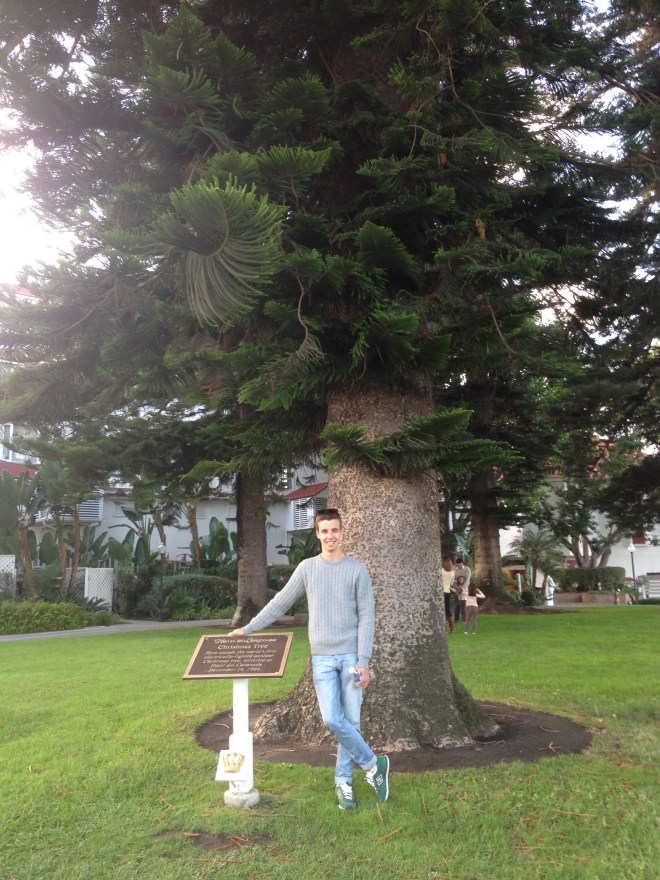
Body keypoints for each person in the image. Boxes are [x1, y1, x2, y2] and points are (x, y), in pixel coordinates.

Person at [228, 508, 389, 811]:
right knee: (332, 719)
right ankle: (372, 764)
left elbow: (367, 618)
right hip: (322, 660)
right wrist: (248, 629)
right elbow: (279, 603)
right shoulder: (307, 569)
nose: (330, 536)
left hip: (352, 659)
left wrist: (365, 660)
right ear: (317, 534)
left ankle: (344, 783)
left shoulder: (357, 570)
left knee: (351, 721)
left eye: (335, 530)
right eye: (324, 531)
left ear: (343, 532)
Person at [453, 557, 471, 623]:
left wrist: (462, 588)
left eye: (460, 565)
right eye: (458, 565)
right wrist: (456, 587)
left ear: (462, 563)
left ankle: (466, 619)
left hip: (465, 589)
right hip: (457, 589)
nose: (459, 566)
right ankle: (456, 619)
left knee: (465, 605)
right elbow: (454, 580)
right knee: (457, 604)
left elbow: (467, 580)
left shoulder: (467, 569)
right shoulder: (455, 570)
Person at [441, 555, 455, 633]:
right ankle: (452, 628)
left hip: (440, 592)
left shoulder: (441, 570)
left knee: (441, 610)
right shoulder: (452, 572)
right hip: (447, 592)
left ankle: (444, 629)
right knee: (447, 610)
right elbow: (451, 583)